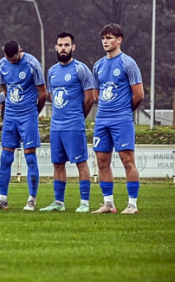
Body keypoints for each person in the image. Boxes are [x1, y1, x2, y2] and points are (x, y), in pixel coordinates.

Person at [0, 41, 47, 211]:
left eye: (15, 59)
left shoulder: (33, 64)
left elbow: (43, 93)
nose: (12, 62)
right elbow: (5, 88)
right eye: (9, 59)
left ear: (21, 51)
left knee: (30, 158)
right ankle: (2, 199)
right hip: (11, 116)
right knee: (5, 158)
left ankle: (31, 199)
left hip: (28, 116)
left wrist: (35, 111)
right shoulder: (2, 63)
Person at [39, 32, 97, 213]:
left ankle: (84, 203)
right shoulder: (52, 71)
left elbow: (90, 98)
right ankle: (58, 202)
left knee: (81, 163)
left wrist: (79, 115)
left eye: (66, 45)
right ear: (55, 48)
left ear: (73, 47)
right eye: (60, 45)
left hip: (74, 125)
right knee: (57, 164)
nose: (63, 48)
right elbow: (50, 95)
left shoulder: (81, 69)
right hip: (56, 126)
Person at [91, 23, 144, 214]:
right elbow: (96, 94)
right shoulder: (98, 65)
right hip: (102, 120)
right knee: (102, 161)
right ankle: (108, 203)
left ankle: (132, 204)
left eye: (110, 37)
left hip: (122, 119)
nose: (106, 41)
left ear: (119, 40)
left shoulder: (128, 63)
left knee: (127, 160)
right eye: (104, 38)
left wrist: (124, 111)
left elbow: (138, 95)